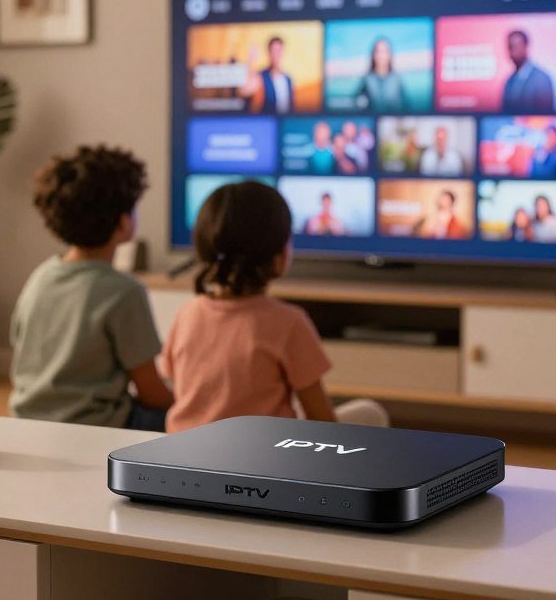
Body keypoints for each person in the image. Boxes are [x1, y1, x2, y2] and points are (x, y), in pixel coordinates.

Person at [160, 181, 389, 433]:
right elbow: (322, 422)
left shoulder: (186, 314)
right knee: (370, 414)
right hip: (262, 465)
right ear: (279, 255)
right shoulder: (288, 323)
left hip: (183, 458)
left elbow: (180, 388)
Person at [10, 146, 173, 431]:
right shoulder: (124, 291)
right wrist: (186, 403)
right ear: (123, 223)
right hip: (95, 426)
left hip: (28, 421)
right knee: (188, 421)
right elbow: (151, 392)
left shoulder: (41, 276)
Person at [501, 30, 555, 113]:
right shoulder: (509, 81)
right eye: (510, 47)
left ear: (526, 46)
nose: (512, 52)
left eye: (515, 46)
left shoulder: (541, 79)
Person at [239, 36, 295, 114]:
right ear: (269, 53)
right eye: (274, 51)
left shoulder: (288, 79)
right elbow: (244, 91)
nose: (276, 55)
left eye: (279, 51)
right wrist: (251, 60)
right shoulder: (261, 76)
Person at [354, 38, 406, 111]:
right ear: (373, 55)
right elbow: (356, 104)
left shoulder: (397, 79)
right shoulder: (366, 80)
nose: (381, 56)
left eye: (384, 51)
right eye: (378, 52)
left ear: (389, 54)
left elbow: (406, 106)